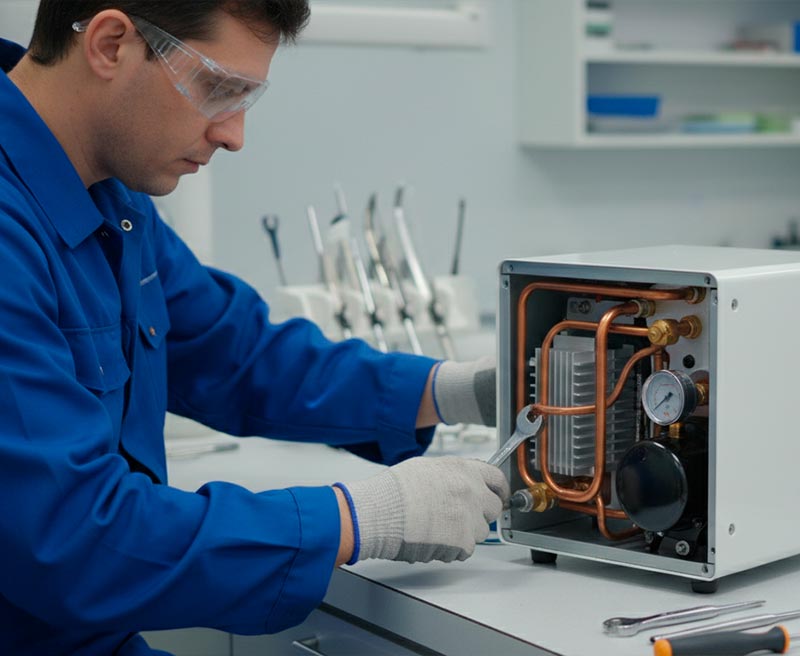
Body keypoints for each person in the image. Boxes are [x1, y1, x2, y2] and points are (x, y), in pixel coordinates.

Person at [0, 1, 509, 654]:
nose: (234, 135)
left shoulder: (103, 191)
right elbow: (72, 538)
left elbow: (236, 354)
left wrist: (454, 388)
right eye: (217, 89)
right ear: (109, 44)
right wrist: (357, 518)